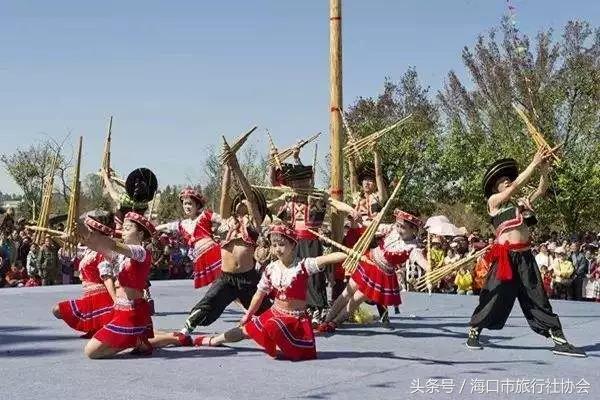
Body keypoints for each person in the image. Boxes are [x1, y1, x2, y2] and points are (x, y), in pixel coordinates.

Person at [467, 152, 585, 357]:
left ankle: (558, 338)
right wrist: (533, 162)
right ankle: (474, 331)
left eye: (507, 180)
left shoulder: (520, 204)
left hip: (525, 259)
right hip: (505, 258)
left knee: (537, 296)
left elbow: (542, 189)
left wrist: (543, 168)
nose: (507, 183)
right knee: (494, 296)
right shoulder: (494, 203)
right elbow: (515, 187)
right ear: (495, 188)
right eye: (502, 181)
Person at [193, 223, 348, 361]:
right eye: (274, 245)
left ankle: (281, 342)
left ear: (293, 245)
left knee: (273, 325)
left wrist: (350, 255)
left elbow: (329, 258)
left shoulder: (303, 265)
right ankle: (214, 340)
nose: (277, 249)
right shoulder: (271, 269)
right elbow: (259, 294)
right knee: (245, 331)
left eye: (281, 244)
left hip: (295, 321)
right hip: (275, 313)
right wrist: (248, 315)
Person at [178, 143, 271, 338]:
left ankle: (283, 332)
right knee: (207, 304)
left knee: (267, 316)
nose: (241, 202)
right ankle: (185, 332)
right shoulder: (228, 222)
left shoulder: (255, 223)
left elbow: (250, 197)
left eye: (245, 201)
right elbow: (224, 192)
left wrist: (236, 166)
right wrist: (227, 168)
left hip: (248, 279)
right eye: (239, 201)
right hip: (226, 278)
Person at [319, 209, 430, 332]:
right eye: (398, 225)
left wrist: (430, 268)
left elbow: (421, 261)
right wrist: (359, 220)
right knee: (346, 292)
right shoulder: (392, 229)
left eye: (403, 227)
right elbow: (372, 226)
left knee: (356, 299)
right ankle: (327, 319)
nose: (398, 229)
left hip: (379, 275)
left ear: (413, 229)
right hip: (368, 262)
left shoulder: (412, 247)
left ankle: (335, 322)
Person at [76, 211, 156, 359]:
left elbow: (111, 244)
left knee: (91, 352)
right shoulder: (121, 256)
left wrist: (86, 227)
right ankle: (137, 340)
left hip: (132, 312)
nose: (123, 232)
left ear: (140, 234)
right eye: (123, 228)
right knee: (93, 350)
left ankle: (134, 340)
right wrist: (79, 229)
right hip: (119, 310)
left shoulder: (141, 252)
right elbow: (96, 245)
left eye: (127, 229)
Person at [52, 211, 117, 337]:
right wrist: (55, 237)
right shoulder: (89, 250)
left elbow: (107, 277)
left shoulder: (102, 252)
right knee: (57, 310)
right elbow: (70, 252)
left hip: (101, 298)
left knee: (58, 309)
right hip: (90, 297)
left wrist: (116, 302)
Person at [156, 188, 222, 288]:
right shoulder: (182, 224)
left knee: (221, 284)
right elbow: (166, 226)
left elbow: (221, 219)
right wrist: (151, 229)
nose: (187, 207)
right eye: (185, 204)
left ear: (197, 205)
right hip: (200, 258)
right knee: (215, 287)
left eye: (190, 204)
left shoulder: (205, 215)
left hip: (212, 254)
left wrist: (222, 227)